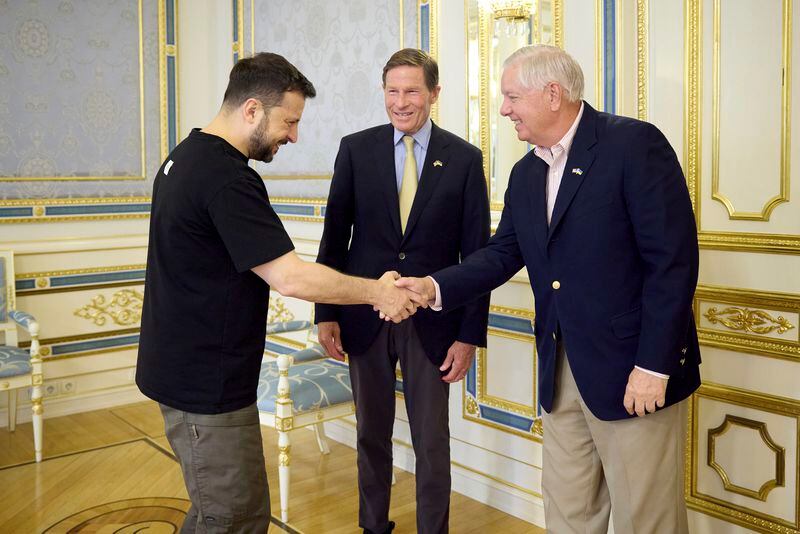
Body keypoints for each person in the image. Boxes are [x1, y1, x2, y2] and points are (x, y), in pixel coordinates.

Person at [397, 45, 701, 534]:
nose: (504, 109)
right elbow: (501, 254)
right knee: (568, 512)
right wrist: (431, 286)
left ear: (553, 94)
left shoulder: (633, 145)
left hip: (633, 372)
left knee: (648, 520)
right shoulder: (526, 172)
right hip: (561, 373)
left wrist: (654, 365)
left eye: (512, 96)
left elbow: (673, 263)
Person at [136, 52, 424, 534]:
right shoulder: (227, 178)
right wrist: (378, 291)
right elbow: (290, 277)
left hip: (184, 371)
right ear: (252, 110)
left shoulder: (183, 156)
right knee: (234, 517)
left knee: (218, 509)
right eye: (288, 121)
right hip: (205, 384)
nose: (292, 135)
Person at [315, 48, 490, 534]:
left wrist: (469, 335)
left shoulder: (464, 159)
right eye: (392, 90)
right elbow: (335, 237)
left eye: (412, 90)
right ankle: (373, 527)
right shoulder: (355, 149)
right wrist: (326, 312)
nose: (401, 101)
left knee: (432, 440)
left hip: (435, 324)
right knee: (371, 433)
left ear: (434, 93)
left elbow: (478, 258)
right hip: (363, 319)